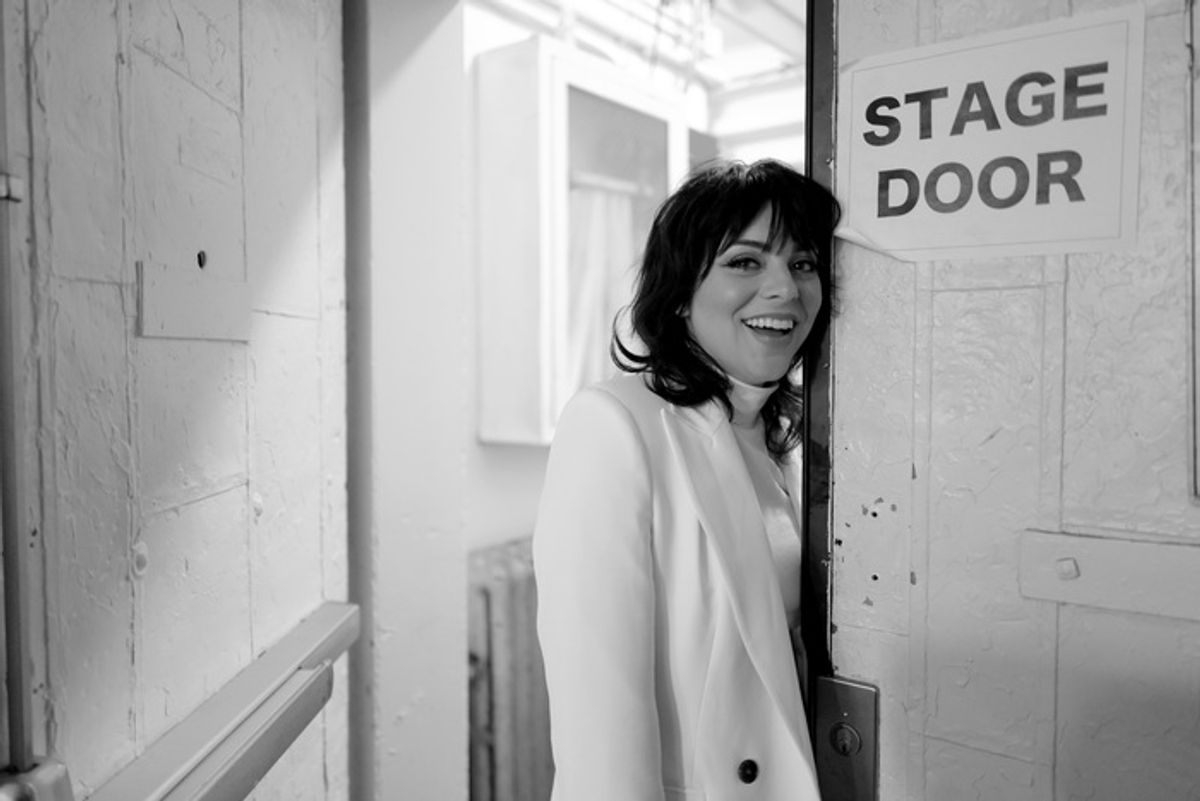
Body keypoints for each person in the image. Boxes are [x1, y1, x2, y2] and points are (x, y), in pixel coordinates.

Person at [532, 157, 840, 801]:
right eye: (745, 262)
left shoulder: (785, 434)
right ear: (677, 293)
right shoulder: (615, 424)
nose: (785, 288)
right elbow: (599, 722)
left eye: (803, 263)